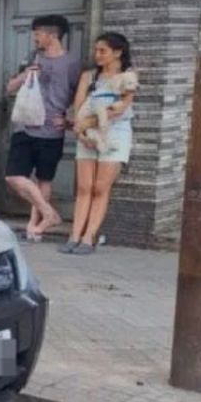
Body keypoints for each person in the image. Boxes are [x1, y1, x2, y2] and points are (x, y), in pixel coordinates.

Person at [4, 14, 81, 241]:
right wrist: (25, 75)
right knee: (13, 177)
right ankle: (49, 213)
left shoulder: (72, 63)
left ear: (51, 34)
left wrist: (68, 121)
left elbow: (80, 95)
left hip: (52, 131)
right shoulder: (31, 57)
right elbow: (9, 88)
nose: (35, 39)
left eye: (38, 34)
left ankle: (34, 227)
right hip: (25, 126)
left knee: (44, 180)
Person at [61, 33, 138, 255]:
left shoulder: (128, 77)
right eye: (96, 50)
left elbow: (120, 108)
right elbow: (78, 106)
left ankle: (89, 237)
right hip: (87, 133)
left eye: (103, 51)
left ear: (117, 52)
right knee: (84, 186)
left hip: (116, 133)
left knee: (100, 187)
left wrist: (88, 122)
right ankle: (74, 235)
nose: (98, 55)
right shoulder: (89, 76)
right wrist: (82, 128)